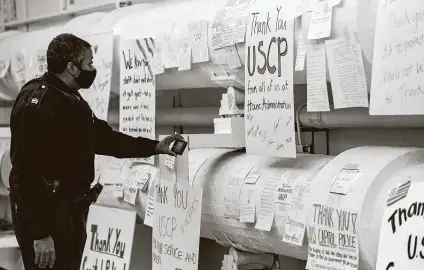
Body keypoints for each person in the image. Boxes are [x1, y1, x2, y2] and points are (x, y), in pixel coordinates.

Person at [8, 33, 182, 270]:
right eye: (89, 63)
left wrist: (153, 147)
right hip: (47, 214)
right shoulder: (39, 103)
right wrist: (40, 234)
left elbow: (104, 139)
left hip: (68, 208)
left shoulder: (69, 98)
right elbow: (27, 173)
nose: (92, 68)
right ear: (71, 67)